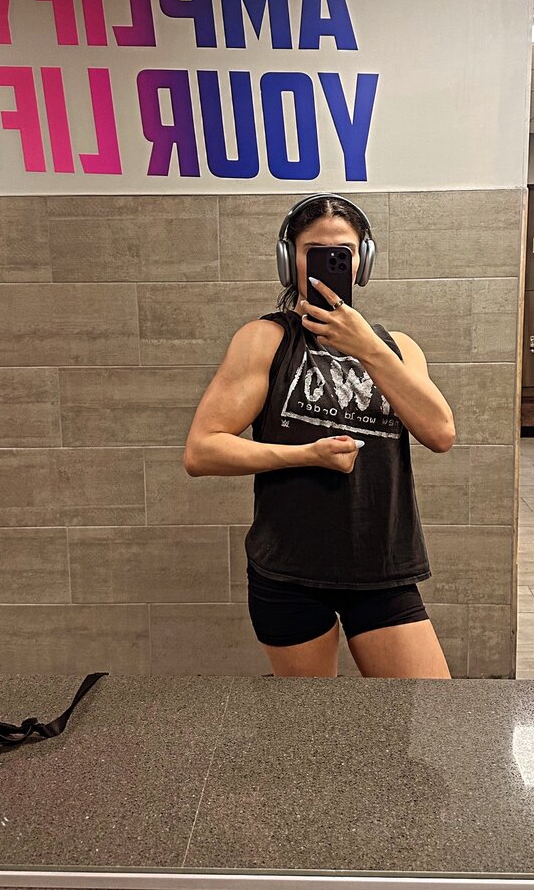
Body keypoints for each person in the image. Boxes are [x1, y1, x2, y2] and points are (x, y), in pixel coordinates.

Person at [183, 194, 456, 680]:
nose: (330, 263)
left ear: (363, 261)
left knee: (429, 712)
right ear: (289, 260)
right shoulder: (265, 340)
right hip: (289, 572)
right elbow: (202, 450)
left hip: (381, 568)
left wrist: (369, 348)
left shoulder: (398, 348)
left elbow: (440, 433)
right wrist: (306, 454)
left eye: (342, 253)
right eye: (314, 252)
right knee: (309, 721)